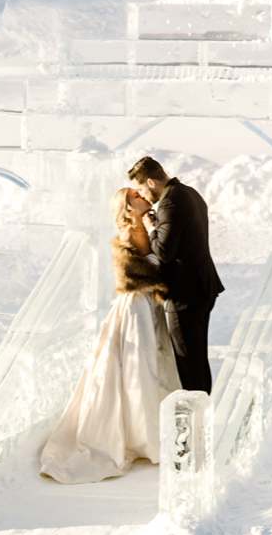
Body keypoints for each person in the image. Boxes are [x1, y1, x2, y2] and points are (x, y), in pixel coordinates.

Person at [38, 187, 181, 483]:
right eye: (135, 196)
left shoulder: (141, 226)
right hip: (137, 304)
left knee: (145, 363)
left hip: (143, 302)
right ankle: (143, 433)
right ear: (129, 207)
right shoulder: (133, 232)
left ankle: (145, 430)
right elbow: (147, 270)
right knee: (139, 366)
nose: (142, 195)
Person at [129, 153, 225, 394]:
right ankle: (204, 410)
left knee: (187, 362)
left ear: (150, 181)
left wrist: (151, 228)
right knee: (197, 358)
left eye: (140, 188)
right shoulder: (191, 193)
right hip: (203, 288)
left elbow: (164, 251)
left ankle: (196, 419)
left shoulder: (171, 201)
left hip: (185, 294)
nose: (141, 195)